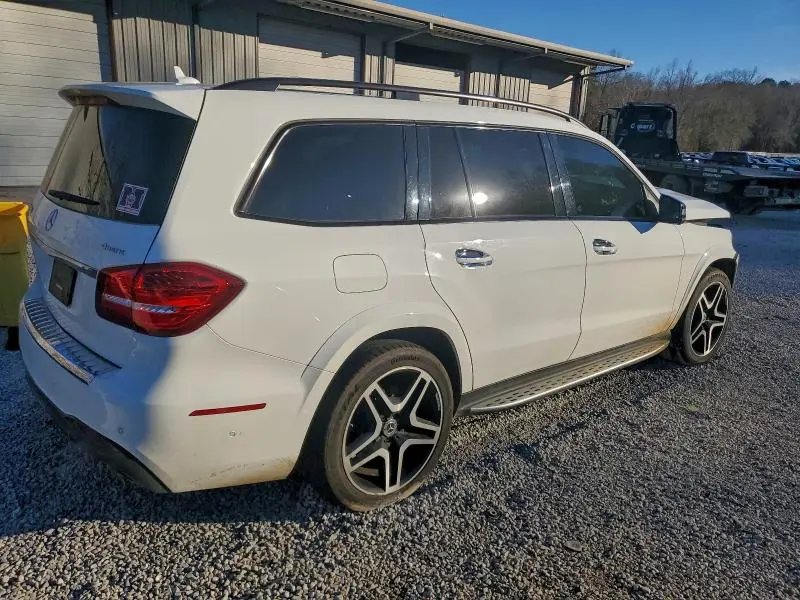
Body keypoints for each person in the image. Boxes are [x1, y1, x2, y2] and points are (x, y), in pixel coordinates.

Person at [0, 201, 30, 351]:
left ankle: (15, 329)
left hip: (10, 230)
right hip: (11, 229)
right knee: (12, 281)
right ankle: (9, 322)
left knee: (12, 282)